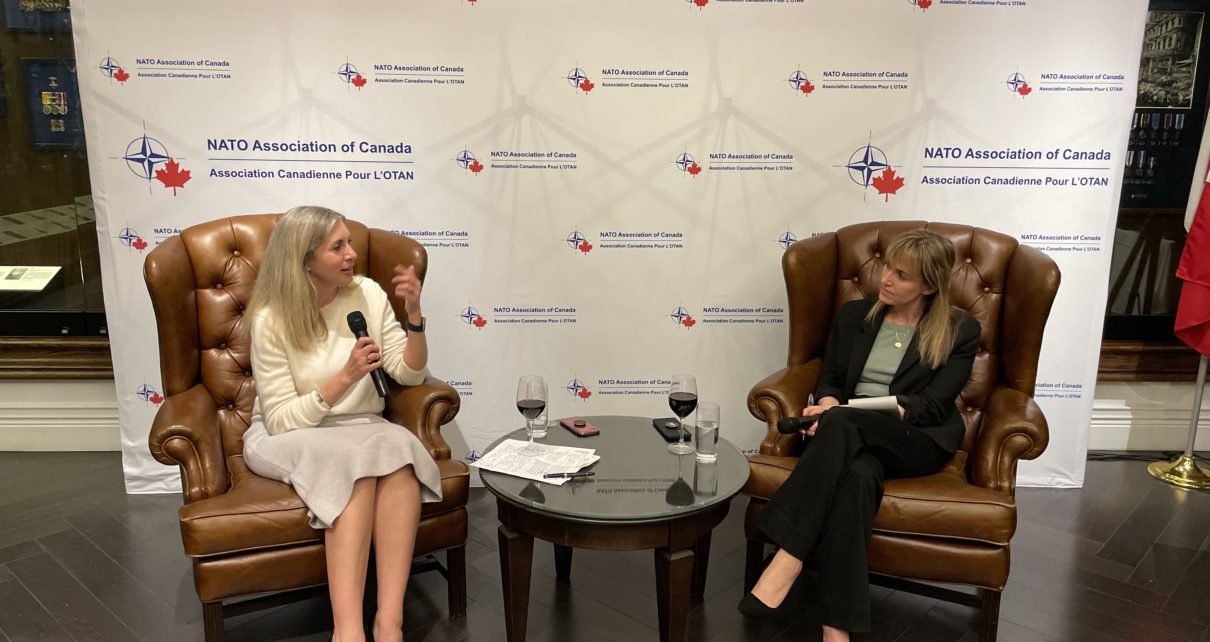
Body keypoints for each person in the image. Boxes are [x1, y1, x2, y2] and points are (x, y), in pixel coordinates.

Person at [739, 229, 982, 640]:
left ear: (928, 286)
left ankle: (789, 554)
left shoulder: (960, 329)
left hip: (915, 438)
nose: (885, 278)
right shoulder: (855, 316)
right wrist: (828, 404)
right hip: (849, 436)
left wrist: (854, 413)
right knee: (858, 476)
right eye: (887, 266)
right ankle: (837, 629)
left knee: (844, 422)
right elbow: (831, 378)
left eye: (901, 275)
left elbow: (932, 405)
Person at [242, 205, 442, 642]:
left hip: (361, 426)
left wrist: (414, 316)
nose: (352, 253)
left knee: (400, 449)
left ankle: (389, 623)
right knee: (356, 463)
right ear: (305, 259)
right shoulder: (271, 318)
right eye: (338, 247)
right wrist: (344, 378)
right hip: (290, 433)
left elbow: (409, 374)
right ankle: (347, 631)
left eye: (349, 242)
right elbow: (281, 418)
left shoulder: (366, 293)